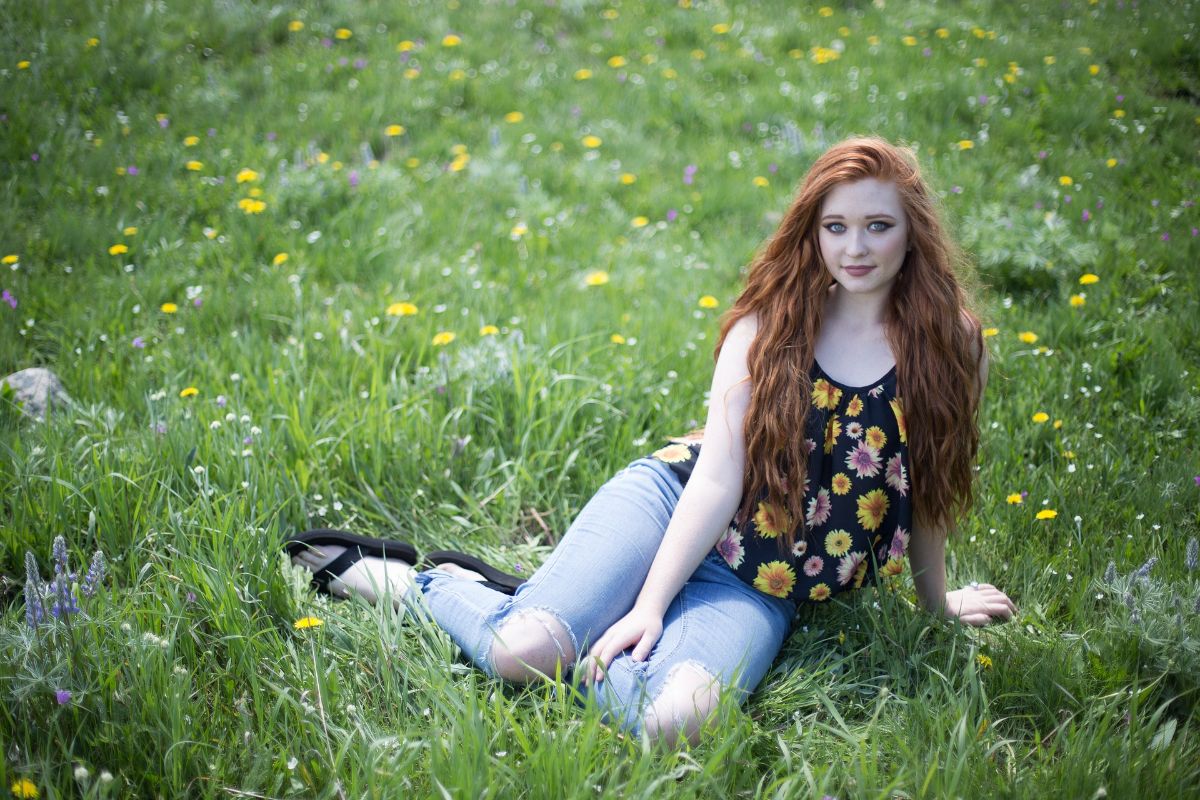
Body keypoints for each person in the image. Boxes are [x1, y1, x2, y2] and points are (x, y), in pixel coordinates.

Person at [287, 136, 1017, 747]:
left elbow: (928, 490)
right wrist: (649, 606)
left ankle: (559, 624)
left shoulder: (952, 346)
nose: (854, 248)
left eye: (877, 227)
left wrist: (935, 604)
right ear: (812, 230)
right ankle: (419, 583)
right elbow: (716, 481)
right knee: (520, 655)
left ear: (913, 229)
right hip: (671, 508)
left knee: (677, 726)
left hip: (761, 583)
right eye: (836, 227)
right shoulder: (768, 329)